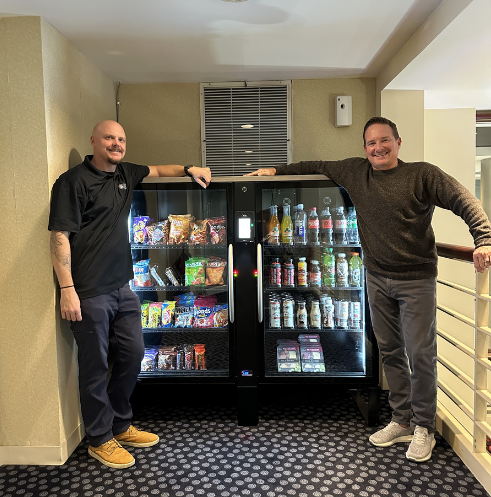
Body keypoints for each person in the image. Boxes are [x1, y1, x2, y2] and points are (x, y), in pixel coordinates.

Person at [246, 116, 491, 462]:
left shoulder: (422, 174)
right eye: (372, 143)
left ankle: (424, 427)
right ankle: (401, 420)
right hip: (376, 278)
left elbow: (463, 198)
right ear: (364, 148)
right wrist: (275, 170)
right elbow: (316, 165)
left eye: (385, 140)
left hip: (416, 279)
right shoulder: (355, 171)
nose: (378, 148)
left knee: (421, 354)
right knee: (390, 351)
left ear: (398, 142)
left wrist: (484, 238)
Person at [48, 120, 211, 469]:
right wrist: (67, 289)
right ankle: (99, 439)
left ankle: (120, 425)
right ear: (93, 141)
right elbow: (59, 235)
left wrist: (189, 168)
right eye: (109, 138)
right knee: (95, 367)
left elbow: (159, 169)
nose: (116, 144)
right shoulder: (72, 182)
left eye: (121, 139)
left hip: (123, 287)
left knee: (133, 355)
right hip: (88, 291)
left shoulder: (125, 173)